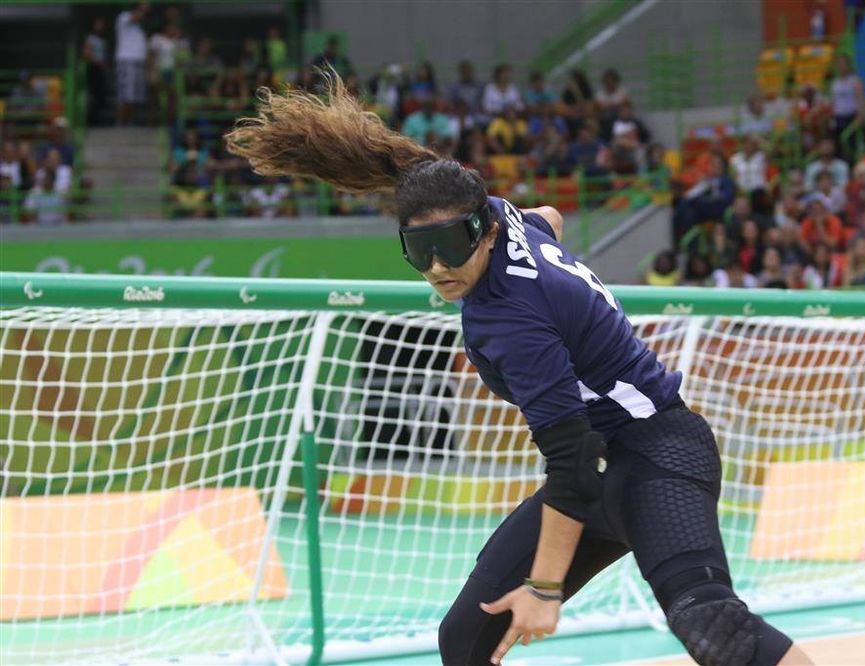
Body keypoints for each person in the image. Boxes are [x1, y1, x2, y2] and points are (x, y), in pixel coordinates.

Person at [225, 76, 814, 666]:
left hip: (657, 456)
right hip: (602, 466)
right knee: (466, 637)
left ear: (480, 231)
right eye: (418, 250)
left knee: (712, 625)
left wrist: (545, 588)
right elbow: (549, 217)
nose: (436, 268)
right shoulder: (505, 219)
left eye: (451, 246)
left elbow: (572, 462)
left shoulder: (509, 320)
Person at [114, 2, 150, 125]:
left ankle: (129, 122)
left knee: (135, 96)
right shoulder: (123, 17)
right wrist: (143, 7)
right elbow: (136, 17)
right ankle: (120, 122)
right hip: (127, 61)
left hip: (139, 63)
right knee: (125, 95)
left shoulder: (139, 29)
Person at [82, 17, 109, 126]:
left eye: (102, 24)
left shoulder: (102, 39)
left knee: (100, 96)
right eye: (98, 24)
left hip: (100, 70)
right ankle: (90, 121)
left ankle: (97, 120)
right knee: (92, 96)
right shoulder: (90, 38)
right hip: (93, 69)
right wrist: (97, 62)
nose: (100, 27)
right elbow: (87, 54)